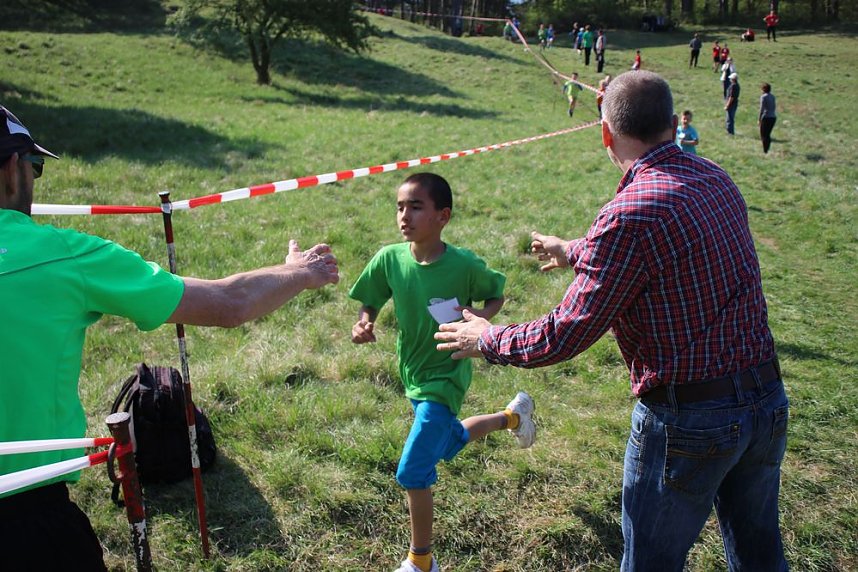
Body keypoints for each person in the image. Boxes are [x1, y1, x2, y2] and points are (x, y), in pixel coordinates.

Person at [434, 70, 788, 572]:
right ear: (672, 123)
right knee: (760, 555)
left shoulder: (631, 214)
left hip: (689, 421)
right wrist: (572, 250)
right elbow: (656, 255)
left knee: (650, 562)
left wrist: (488, 337)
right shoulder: (715, 177)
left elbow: (566, 332)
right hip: (766, 401)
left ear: (606, 134)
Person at [0, 106, 340, 570]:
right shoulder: (64, 256)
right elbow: (227, 303)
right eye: (34, 166)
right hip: (25, 515)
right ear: (11, 169)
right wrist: (300, 272)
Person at [348, 172, 534, 572]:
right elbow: (371, 297)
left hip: (447, 375)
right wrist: (365, 321)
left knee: (413, 470)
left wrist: (480, 319)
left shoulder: (463, 264)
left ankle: (421, 560)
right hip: (412, 373)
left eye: (416, 206)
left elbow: (496, 291)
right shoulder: (389, 258)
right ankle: (514, 417)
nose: (404, 215)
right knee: (450, 440)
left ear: (442, 216)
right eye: (400, 206)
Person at [759, 82, 777, 153]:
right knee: (768, 134)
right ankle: (767, 148)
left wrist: (759, 119)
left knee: (763, 134)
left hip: (766, 117)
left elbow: (761, 109)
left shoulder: (763, 97)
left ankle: (765, 150)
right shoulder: (773, 96)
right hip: (773, 117)